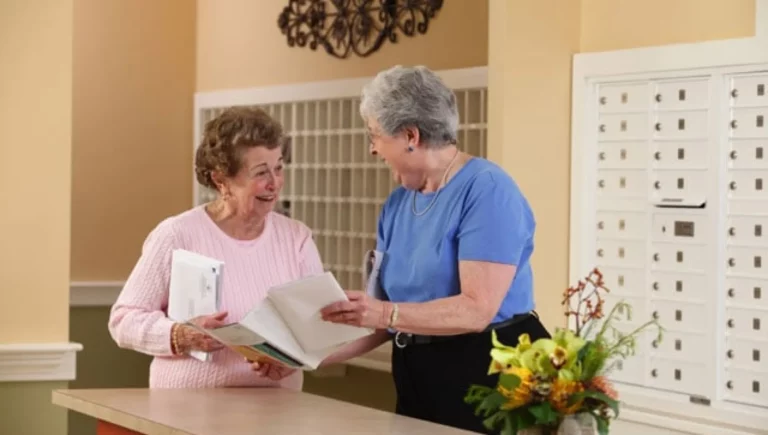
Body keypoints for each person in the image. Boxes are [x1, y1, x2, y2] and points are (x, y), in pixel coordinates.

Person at [318, 65, 551, 433]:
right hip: (418, 372)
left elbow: (476, 310)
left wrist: (383, 313)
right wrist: (301, 359)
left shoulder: (487, 190)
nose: (372, 148)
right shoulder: (396, 205)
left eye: (375, 135)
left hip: (488, 371)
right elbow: (380, 320)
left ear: (411, 135)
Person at [108, 107, 323, 390]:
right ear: (222, 180)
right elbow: (124, 321)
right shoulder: (177, 234)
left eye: (279, 167)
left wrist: (292, 360)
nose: (275, 183)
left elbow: (318, 328)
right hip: (187, 411)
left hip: (276, 412)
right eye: (261, 172)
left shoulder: (296, 238)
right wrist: (181, 335)